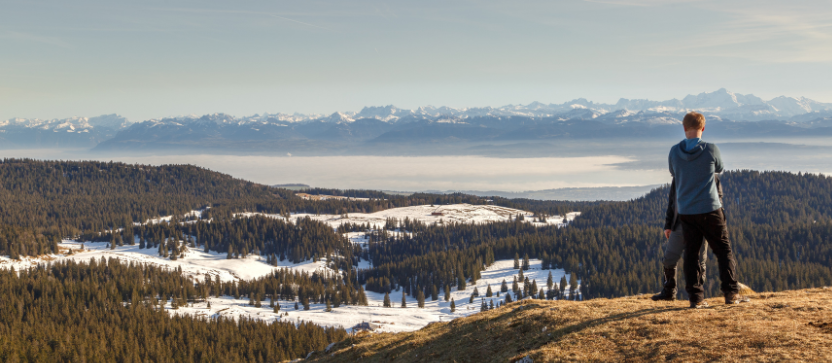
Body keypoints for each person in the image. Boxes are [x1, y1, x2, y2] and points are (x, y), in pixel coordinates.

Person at [668, 112, 740, 308]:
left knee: (691, 254)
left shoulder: (674, 152)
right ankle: (731, 294)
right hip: (710, 208)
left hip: (686, 211)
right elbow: (719, 168)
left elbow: (674, 173)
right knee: (723, 251)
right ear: (703, 128)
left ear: (684, 129)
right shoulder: (711, 149)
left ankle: (696, 299)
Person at [651, 177, 721, 301]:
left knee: (700, 261)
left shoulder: (707, 172)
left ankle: (697, 295)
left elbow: (716, 200)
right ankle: (669, 292)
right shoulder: (679, 174)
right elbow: (672, 201)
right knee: (669, 259)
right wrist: (668, 225)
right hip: (680, 224)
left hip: (701, 225)